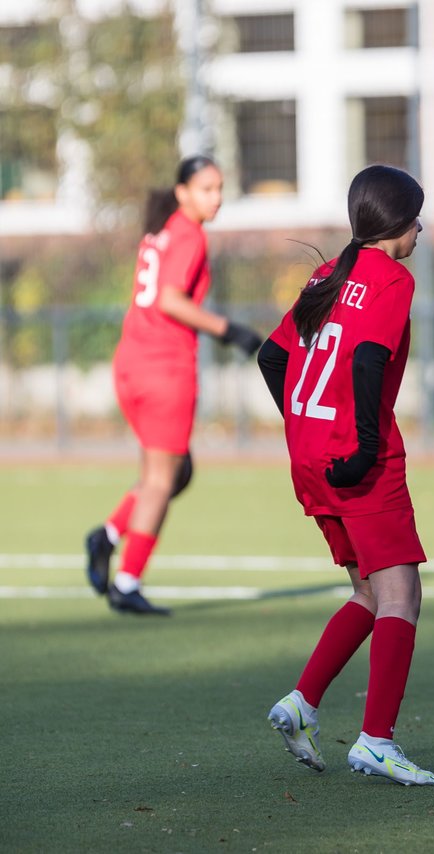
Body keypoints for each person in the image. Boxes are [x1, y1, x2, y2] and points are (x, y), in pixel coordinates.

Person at [255, 165, 434, 787]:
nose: (422, 228)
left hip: (309, 458)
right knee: (402, 597)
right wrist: (360, 447)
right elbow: (366, 358)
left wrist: (303, 424)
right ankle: (377, 741)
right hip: (359, 462)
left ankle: (301, 703)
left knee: (367, 591)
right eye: (417, 216)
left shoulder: (327, 273)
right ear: (396, 224)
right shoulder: (392, 278)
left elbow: (272, 354)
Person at [84, 155, 263, 615]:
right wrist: (230, 331)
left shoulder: (163, 229)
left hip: (132, 363)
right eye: (206, 189)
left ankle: (106, 535)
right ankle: (127, 582)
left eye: (220, 188)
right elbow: (169, 300)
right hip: (163, 369)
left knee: (173, 472)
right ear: (183, 192)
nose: (216, 197)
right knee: (163, 479)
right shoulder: (189, 233)